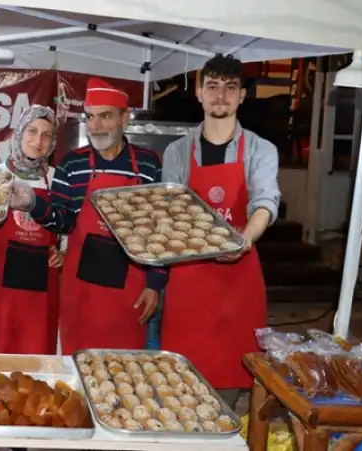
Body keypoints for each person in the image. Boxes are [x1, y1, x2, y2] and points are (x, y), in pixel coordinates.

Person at [161, 54, 280, 406]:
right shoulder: (177, 152)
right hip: (189, 282)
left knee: (226, 395)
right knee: (180, 388)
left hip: (237, 285)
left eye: (230, 87)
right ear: (199, 93)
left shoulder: (261, 149)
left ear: (241, 96)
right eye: (212, 86)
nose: (220, 95)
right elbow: (170, 211)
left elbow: (265, 202)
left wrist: (243, 239)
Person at [24, 78, 167, 355]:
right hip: (81, 293)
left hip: (130, 293)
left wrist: (155, 284)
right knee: (79, 363)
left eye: (106, 116)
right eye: (90, 117)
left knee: (124, 369)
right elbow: (62, 221)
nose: (96, 126)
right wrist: (33, 204)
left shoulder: (148, 163)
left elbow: (160, 229)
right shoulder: (71, 163)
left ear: (124, 118)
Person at [0, 106, 64, 355]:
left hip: (41, 290)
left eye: (46, 135)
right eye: (32, 131)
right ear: (19, 133)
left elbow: (69, 224)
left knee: (37, 361)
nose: (38, 141)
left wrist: (64, 251)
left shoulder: (57, 179)